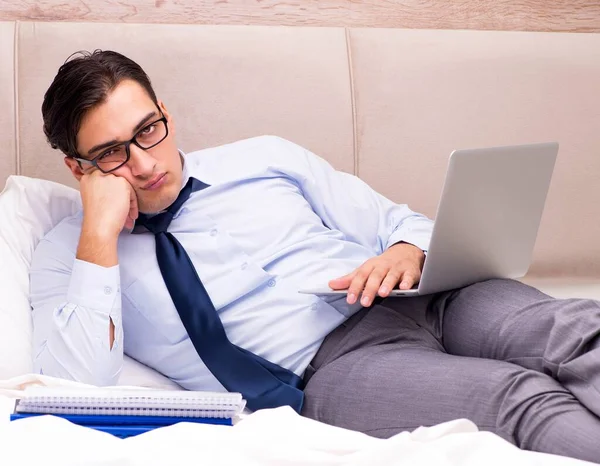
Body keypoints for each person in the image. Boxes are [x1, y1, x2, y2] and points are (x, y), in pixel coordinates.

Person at [31, 50, 600, 462]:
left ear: (166, 115)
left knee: (574, 329)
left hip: (425, 296)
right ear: (77, 167)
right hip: (336, 367)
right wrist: (99, 238)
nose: (146, 163)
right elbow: (78, 384)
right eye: (111, 153)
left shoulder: (264, 158)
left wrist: (405, 250)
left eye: (149, 130)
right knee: (522, 397)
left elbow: (398, 222)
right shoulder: (68, 254)